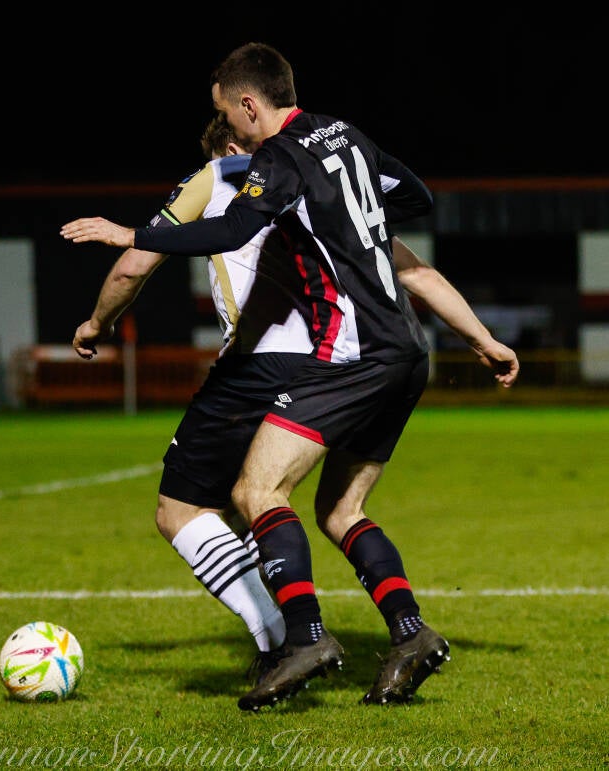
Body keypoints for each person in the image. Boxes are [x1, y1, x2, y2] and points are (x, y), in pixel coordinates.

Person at [61, 42, 520, 712]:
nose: (227, 127)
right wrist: (480, 338)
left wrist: (130, 234)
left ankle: (302, 637)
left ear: (249, 105)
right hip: (406, 354)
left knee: (256, 490)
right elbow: (414, 198)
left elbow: (232, 228)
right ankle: (411, 632)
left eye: (226, 112)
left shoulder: (276, 160)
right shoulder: (345, 137)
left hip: (349, 358)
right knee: (339, 511)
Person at [69, 113, 315, 678]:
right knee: (248, 502)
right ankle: (315, 628)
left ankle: (284, 641)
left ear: (229, 144)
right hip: (330, 363)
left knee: (178, 512)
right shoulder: (310, 175)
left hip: (257, 362)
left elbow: (133, 268)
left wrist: (96, 324)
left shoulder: (219, 174)